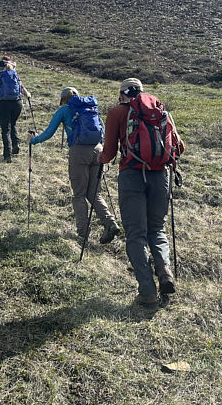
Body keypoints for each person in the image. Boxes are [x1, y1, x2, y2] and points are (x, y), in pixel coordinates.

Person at [99, 78, 185, 308]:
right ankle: (164, 271)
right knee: (157, 229)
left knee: (136, 234)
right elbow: (180, 147)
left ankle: (147, 291)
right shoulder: (161, 112)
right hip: (161, 176)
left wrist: (100, 158)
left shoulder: (117, 113)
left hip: (132, 175)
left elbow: (108, 153)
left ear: (122, 94)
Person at [28, 87, 121, 244]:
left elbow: (49, 132)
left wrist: (34, 140)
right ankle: (110, 223)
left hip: (79, 152)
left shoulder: (64, 110)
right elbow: (102, 130)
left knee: (79, 194)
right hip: (98, 150)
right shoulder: (90, 108)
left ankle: (83, 234)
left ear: (63, 99)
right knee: (94, 194)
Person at [0, 59, 30, 163]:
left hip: (4, 104)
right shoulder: (15, 75)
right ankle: (15, 144)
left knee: (5, 129)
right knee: (13, 124)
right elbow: (24, 90)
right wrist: (28, 95)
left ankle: (7, 155)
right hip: (17, 103)